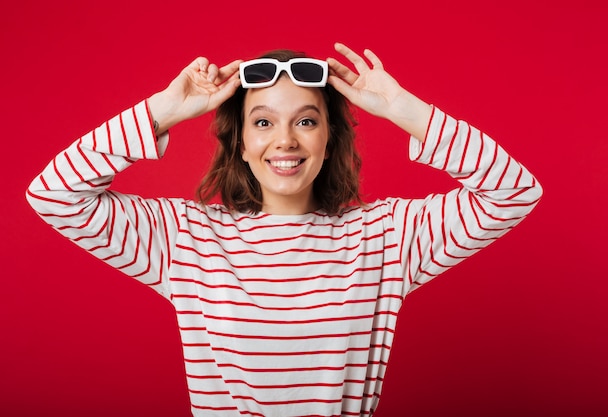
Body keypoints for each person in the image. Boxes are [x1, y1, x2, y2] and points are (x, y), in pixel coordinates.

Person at [26, 42, 543, 417]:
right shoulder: (185, 240)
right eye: (264, 121)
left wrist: (404, 111)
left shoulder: (386, 237)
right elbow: (53, 194)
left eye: (307, 120)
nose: (286, 141)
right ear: (241, 142)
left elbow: (515, 192)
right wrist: (165, 110)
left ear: (329, 138)